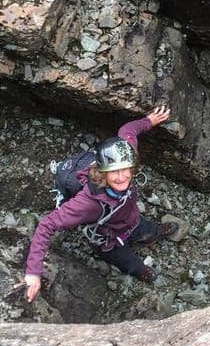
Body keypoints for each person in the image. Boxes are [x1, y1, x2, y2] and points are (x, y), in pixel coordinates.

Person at [24, 105, 183, 302]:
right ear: (102, 172)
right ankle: (141, 271)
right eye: (114, 172)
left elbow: (127, 131)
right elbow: (48, 224)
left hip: (130, 217)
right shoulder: (88, 203)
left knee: (146, 228)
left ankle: (155, 233)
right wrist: (33, 272)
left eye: (126, 170)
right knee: (128, 260)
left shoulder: (125, 153)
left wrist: (149, 121)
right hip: (108, 239)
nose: (122, 177)